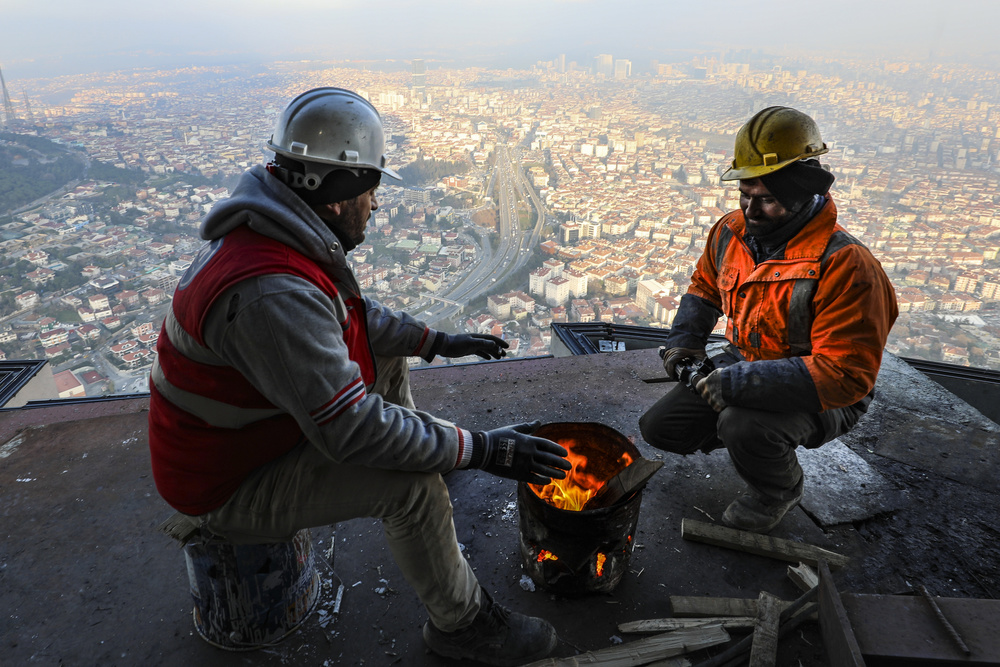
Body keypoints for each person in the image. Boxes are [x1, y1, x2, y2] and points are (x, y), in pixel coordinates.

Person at [147, 87, 571, 666]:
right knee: (411, 491)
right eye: (370, 191)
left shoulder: (272, 232)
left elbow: (350, 319)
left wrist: (436, 342)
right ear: (338, 196)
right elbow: (352, 429)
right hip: (223, 485)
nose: (374, 205)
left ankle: (427, 457)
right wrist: (481, 449)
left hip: (244, 440)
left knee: (384, 356)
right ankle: (464, 626)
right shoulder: (271, 292)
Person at [639, 106, 898, 534]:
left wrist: (737, 387)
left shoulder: (846, 265)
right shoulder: (731, 233)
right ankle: (751, 440)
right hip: (746, 362)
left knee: (742, 423)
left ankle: (776, 489)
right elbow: (704, 288)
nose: (751, 210)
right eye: (746, 195)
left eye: (767, 199)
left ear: (802, 194)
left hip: (826, 393)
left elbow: (845, 375)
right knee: (660, 428)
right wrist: (685, 341)